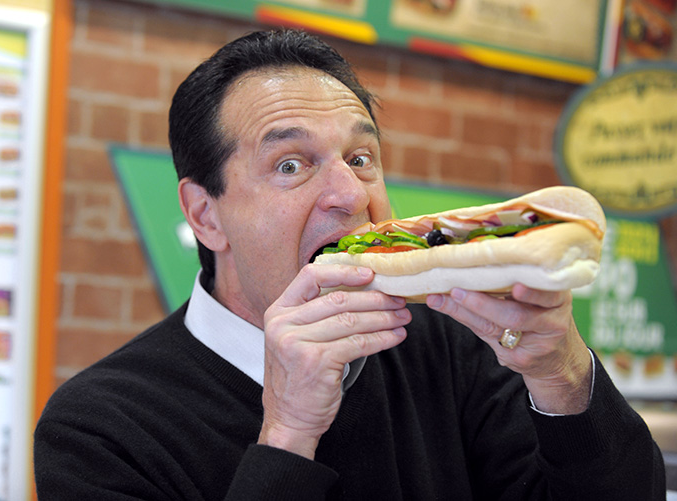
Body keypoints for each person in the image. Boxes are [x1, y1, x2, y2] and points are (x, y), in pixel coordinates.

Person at [34, 29, 665, 499]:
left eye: (361, 158)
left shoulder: (456, 346)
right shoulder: (96, 427)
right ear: (205, 216)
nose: (352, 195)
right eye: (291, 165)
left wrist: (560, 377)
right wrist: (288, 433)